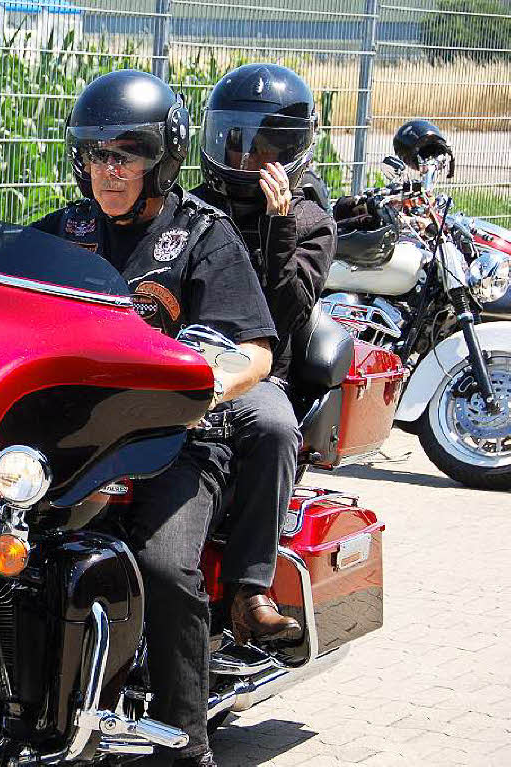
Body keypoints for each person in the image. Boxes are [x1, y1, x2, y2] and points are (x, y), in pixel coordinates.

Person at [32, 69, 278, 767]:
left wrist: (203, 385)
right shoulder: (62, 233)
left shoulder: (203, 235)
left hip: (174, 440)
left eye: (125, 155)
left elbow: (254, 351)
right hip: (66, 436)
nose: (107, 172)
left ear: (161, 159)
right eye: (94, 154)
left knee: (167, 567)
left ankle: (184, 742)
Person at [191, 63, 336, 645]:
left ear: (292, 151)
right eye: (235, 141)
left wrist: (277, 232)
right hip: (181, 358)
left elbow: (287, 314)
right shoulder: (194, 205)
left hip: (259, 367)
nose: (247, 158)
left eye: (264, 146)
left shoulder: (309, 220)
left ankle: (250, 591)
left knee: (275, 427)